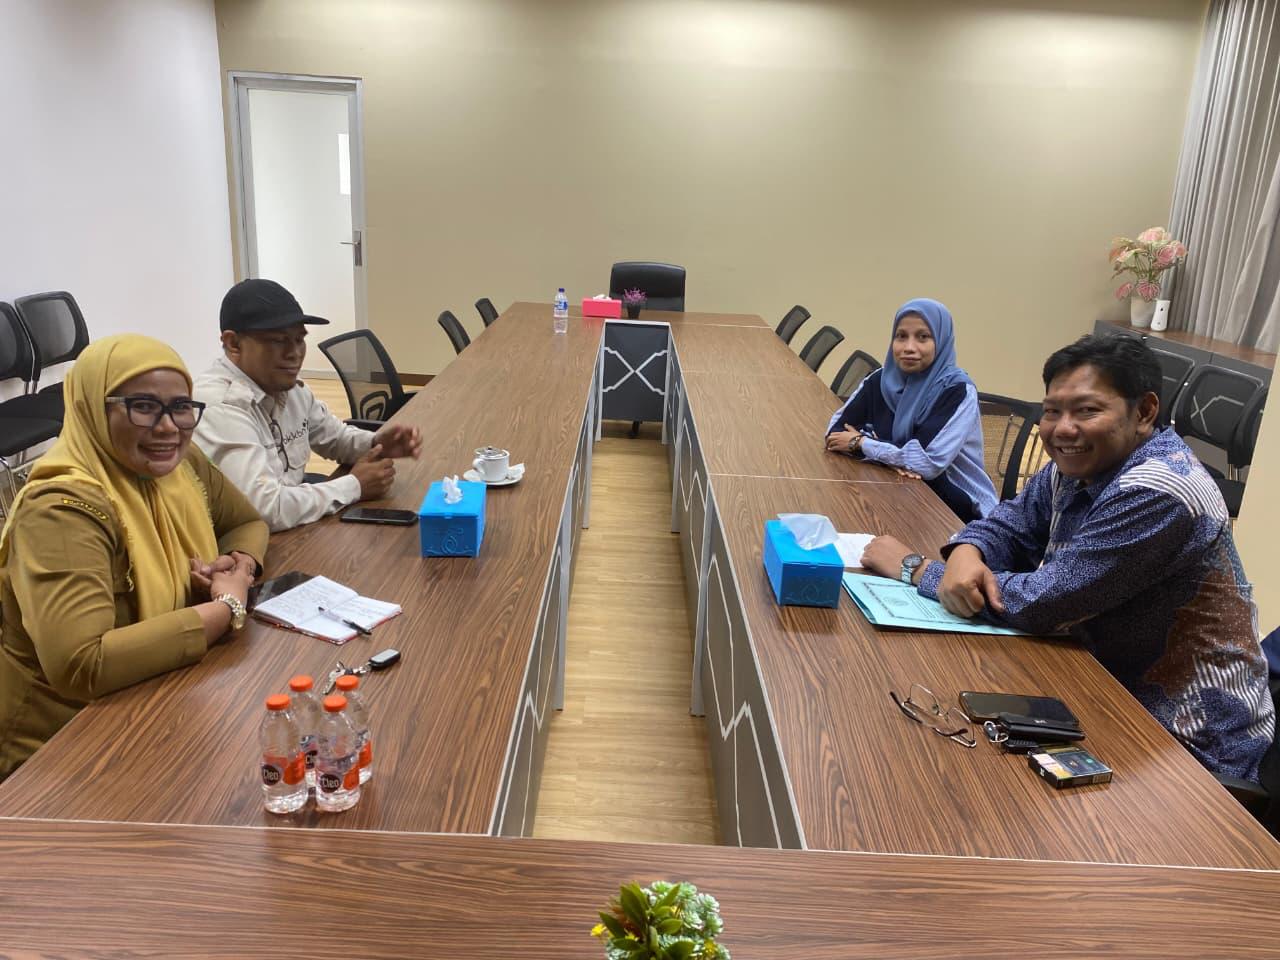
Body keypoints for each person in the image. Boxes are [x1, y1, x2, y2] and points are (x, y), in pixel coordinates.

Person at [861, 334, 1275, 781]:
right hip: (1103, 686)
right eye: (1052, 410)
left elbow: (1046, 602)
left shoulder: (1160, 490)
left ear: (1144, 412)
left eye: (1087, 410)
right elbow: (1012, 522)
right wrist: (968, 549)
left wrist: (917, 569)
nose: (1062, 428)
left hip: (1185, 744)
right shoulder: (1083, 463)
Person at [0, 334, 269, 781]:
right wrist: (226, 607)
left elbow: (247, 522)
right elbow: (82, 664)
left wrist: (237, 564)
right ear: (92, 408)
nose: (168, 428)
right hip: (60, 749)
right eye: (143, 406)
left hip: (161, 699)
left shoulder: (179, 464)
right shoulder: (60, 511)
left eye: (181, 407)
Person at [192, 279, 422, 532]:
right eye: (278, 341)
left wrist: (375, 443)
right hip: (243, 544)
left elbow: (334, 437)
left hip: (293, 527)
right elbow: (262, 509)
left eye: (299, 339)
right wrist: (354, 485)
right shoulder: (220, 406)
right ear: (233, 344)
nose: (294, 353)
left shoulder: (285, 385)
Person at [825, 297, 997, 523]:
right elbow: (834, 433)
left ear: (942, 341)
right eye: (901, 336)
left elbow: (926, 462)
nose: (909, 347)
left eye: (923, 337)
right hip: (898, 488)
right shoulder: (880, 380)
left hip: (958, 505)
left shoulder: (957, 391)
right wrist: (894, 458)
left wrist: (861, 443)